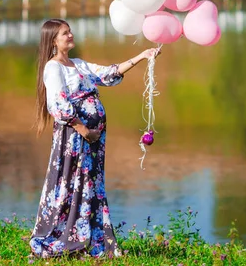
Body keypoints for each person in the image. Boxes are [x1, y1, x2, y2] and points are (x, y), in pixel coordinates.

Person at [30, 18, 161, 258]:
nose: (70, 35)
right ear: (53, 41)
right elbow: (58, 105)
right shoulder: (53, 68)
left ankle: (89, 235)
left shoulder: (78, 64)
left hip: (93, 139)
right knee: (71, 182)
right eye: (65, 33)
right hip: (75, 137)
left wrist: (142, 56)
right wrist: (84, 130)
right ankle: (65, 236)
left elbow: (109, 73)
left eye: (69, 31)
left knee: (91, 182)